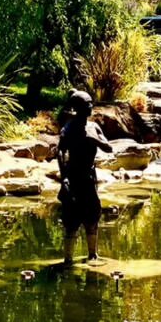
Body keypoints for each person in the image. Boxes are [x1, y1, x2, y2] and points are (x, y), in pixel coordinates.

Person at [57, 90, 113, 266]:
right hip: (73, 177)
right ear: (77, 108)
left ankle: (92, 254)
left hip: (89, 178)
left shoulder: (93, 127)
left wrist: (95, 140)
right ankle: (68, 259)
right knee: (71, 220)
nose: (90, 107)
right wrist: (64, 176)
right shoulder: (69, 127)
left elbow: (109, 148)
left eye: (91, 104)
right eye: (86, 105)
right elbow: (60, 151)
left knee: (92, 217)